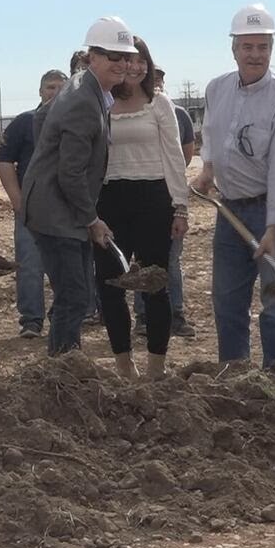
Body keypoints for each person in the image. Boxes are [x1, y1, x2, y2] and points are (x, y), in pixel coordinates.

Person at [191, 4, 275, 367]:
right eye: (247, 46)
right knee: (227, 300)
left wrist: (274, 226)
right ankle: (235, 374)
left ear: (272, 49)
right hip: (230, 211)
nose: (255, 54)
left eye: (263, 47)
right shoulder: (217, 89)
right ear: (234, 49)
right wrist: (208, 170)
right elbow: (212, 132)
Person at [21, 17, 136, 356]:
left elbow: (41, 119)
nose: (122, 64)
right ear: (92, 57)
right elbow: (70, 173)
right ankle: (63, 368)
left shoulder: (84, 87)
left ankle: (64, 363)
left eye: (125, 57)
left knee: (74, 293)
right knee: (74, 296)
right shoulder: (84, 101)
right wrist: (91, 219)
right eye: (113, 56)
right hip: (56, 212)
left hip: (57, 206)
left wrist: (45, 156)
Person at [95, 37, 188, 380]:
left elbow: (174, 157)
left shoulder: (158, 104)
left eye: (141, 61)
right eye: (127, 60)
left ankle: (155, 367)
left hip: (153, 200)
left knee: (155, 284)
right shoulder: (101, 104)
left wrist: (180, 207)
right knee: (110, 285)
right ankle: (124, 365)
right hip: (109, 200)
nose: (134, 67)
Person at [0, 69, 66, 338]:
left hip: (66, 210)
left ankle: (61, 316)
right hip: (30, 209)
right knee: (29, 265)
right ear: (40, 92)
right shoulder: (24, 122)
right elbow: (4, 161)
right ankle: (31, 320)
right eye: (50, 87)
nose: (55, 93)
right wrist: (17, 200)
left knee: (65, 266)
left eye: (61, 88)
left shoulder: (74, 122)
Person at [134, 65, 198, 338]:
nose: (156, 83)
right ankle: (143, 317)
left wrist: (171, 181)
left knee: (171, 261)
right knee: (142, 261)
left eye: (159, 78)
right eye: (153, 78)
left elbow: (184, 154)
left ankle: (176, 315)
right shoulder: (132, 110)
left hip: (169, 198)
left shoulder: (178, 113)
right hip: (141, 198)